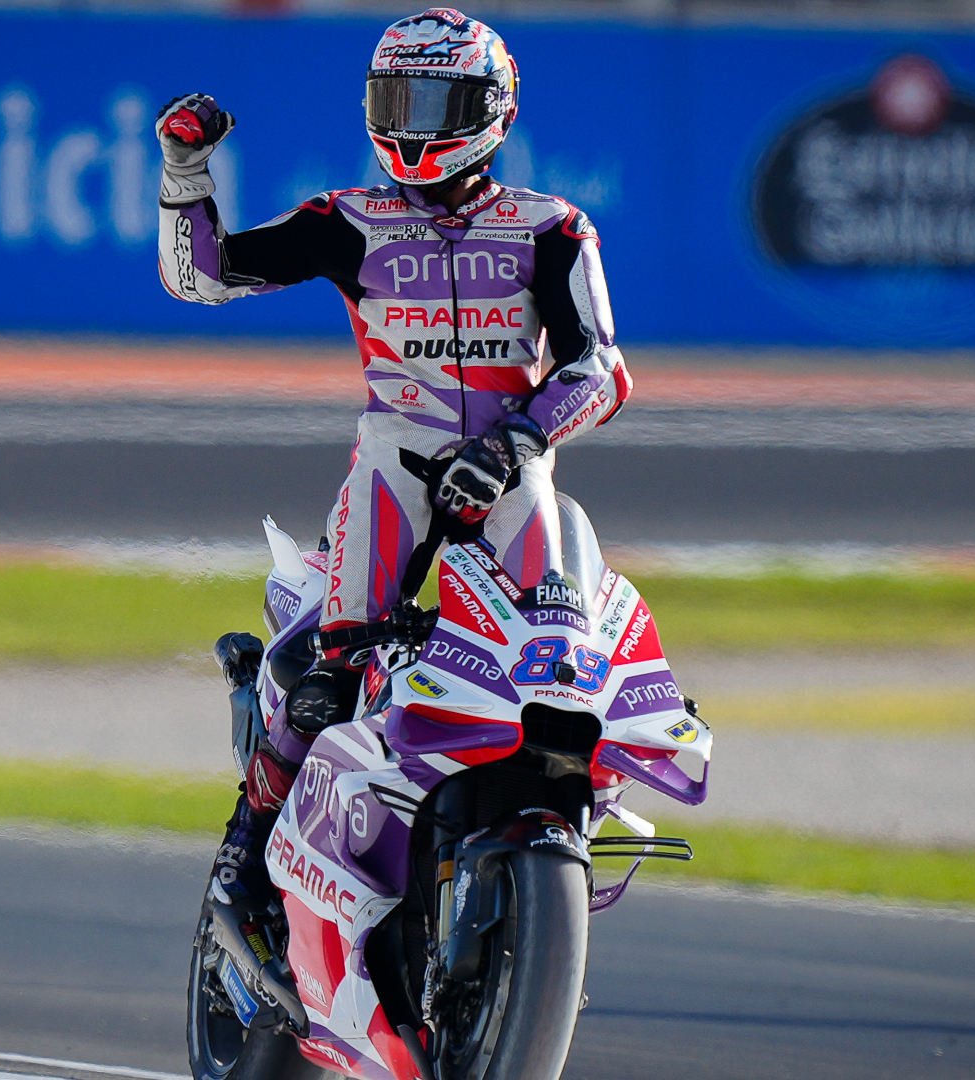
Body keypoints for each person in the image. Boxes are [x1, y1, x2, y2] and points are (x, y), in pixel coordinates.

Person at [156, 7, 632, 909]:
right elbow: (202, 277)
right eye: (395, 99)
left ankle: (561, 821)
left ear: (492, 110)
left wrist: (515, 442)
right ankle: (247, 853)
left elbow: (599, 370)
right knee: (326, 678)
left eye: (436, 99)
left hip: (513, 466)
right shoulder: (349, 217)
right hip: (396, 461)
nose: (412, 125)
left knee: (568, 660)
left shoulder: (554, 228)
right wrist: (185, 172)